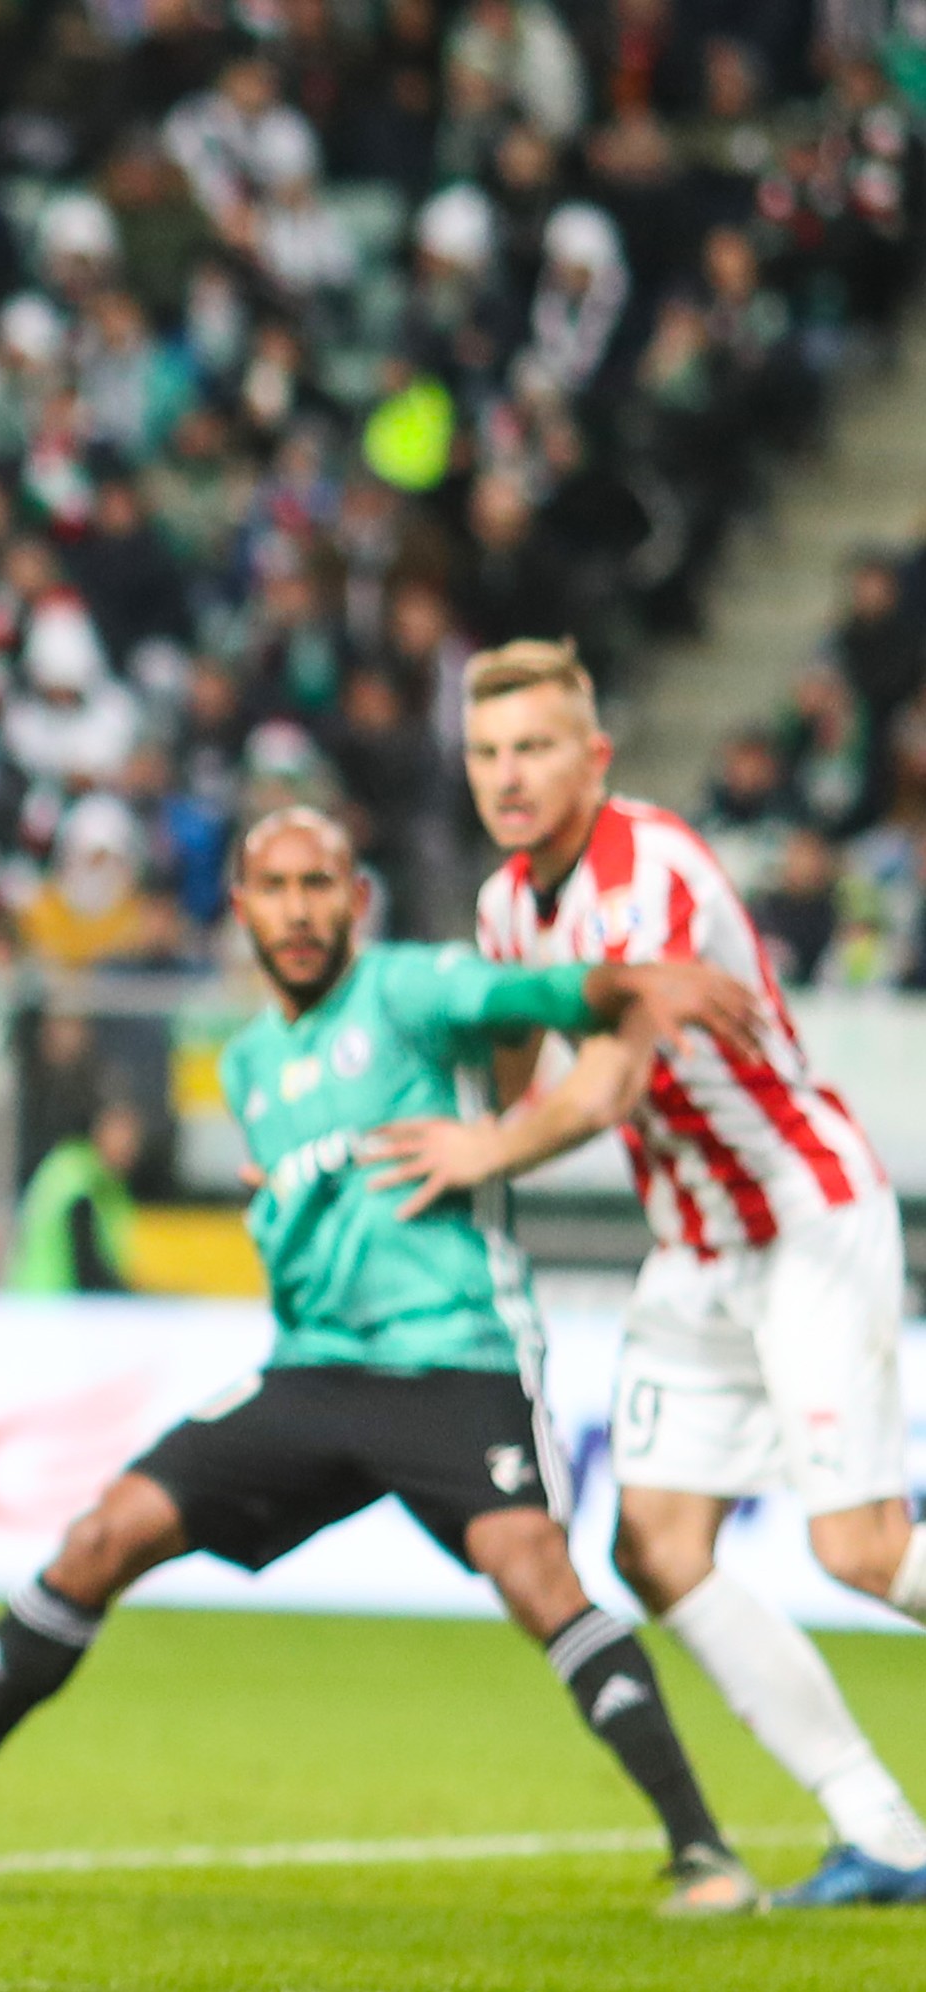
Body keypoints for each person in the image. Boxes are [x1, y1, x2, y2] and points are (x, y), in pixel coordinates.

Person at [0, 807, 775, 1917]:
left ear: (356, 898)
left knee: (533, 1569)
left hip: (453, 1355)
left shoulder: (409, 989)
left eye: (319, 885)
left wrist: (640, 982)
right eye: (276, 888)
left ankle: (704, 1852)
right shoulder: (251, 1063)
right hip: (311, 1371)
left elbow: (543, 994)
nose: (299, 911)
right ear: (241, 908)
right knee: (101, 1537)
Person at [396, 640, 926, 1907]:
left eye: (535, 748)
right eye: (488, 752)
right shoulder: (504, 907)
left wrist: (484, 1148)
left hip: (802, 1214)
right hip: (694, 1248)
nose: (508, 776)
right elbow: (516, 1063)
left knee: (859, 1548)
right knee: (657, 1545)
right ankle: (887, 1837)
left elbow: (605, 1084)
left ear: (596, 756)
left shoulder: (652, 870)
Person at [5, 1099, 144, 1295]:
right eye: (123, 1140)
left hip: (56, 1297)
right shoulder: (78, 1177)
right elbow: (86, 1260)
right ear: (101, 1133)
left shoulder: (109, 1183)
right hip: (50, 1296)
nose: (129, 1149)